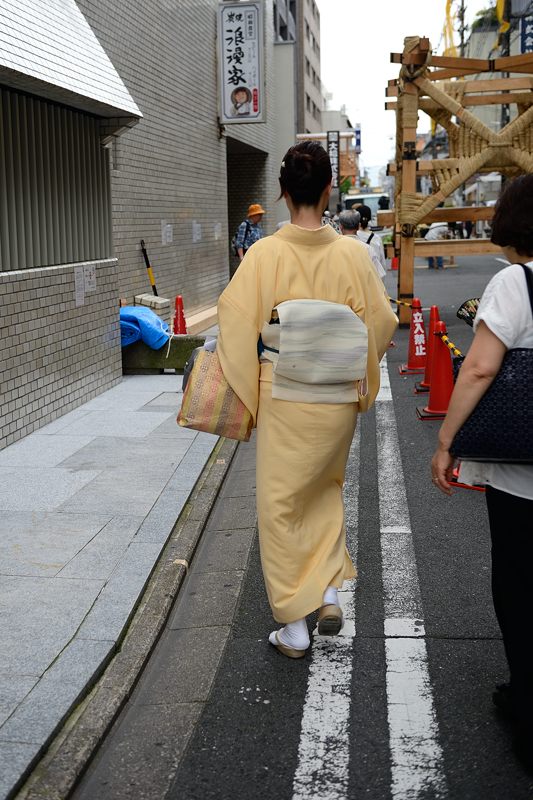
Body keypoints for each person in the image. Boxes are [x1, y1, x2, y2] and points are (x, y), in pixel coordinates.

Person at [217, 141, 397, 659]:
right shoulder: (352, 253)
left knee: (280, 506)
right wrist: (360, 378)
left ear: (281, 191)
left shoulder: (264, 254)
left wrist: (247, 394)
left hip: (285, 394)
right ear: (326, 191)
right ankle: (329, 591)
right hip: (336, 395)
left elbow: (234, 319)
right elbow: (381, 322)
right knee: (325, 488)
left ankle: (295, 626)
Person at [431, 174, 533, 769]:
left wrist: (447, 442)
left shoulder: (515, 283)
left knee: (521, 586)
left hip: (522, 475)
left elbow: (478, 370)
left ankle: (527, 704)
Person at [338, 209, 386, 281]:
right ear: (358, 226)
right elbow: (380, 276)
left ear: (340, 227)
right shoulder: (367, 249)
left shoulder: (334, 249)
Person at [355, 204, 387, 274]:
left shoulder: (353, 237)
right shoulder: (377, 238)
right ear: (369, 218)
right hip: (374, 278)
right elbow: (382, 264)